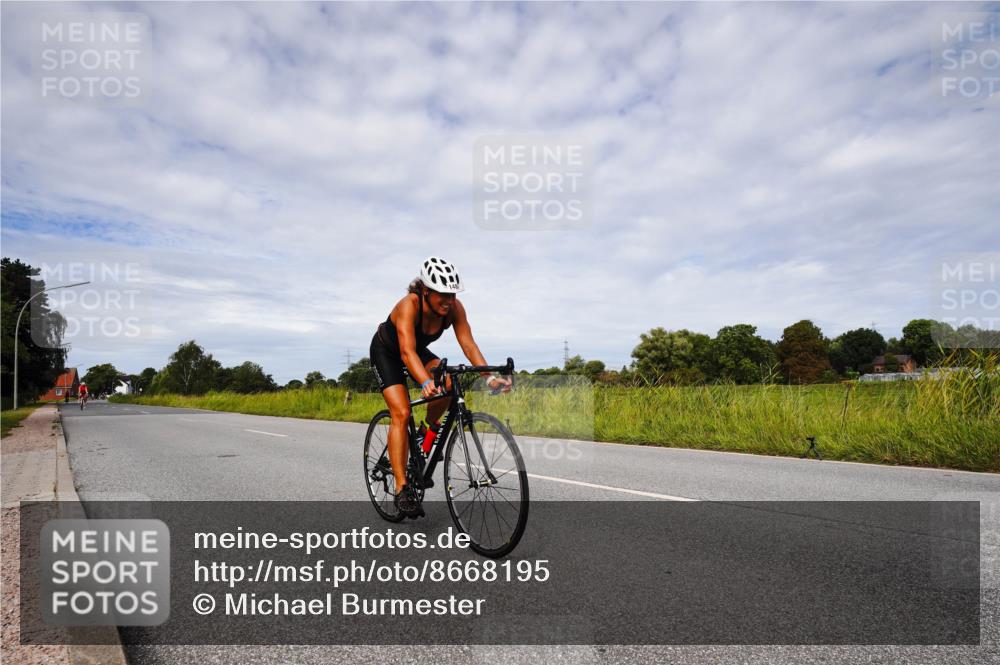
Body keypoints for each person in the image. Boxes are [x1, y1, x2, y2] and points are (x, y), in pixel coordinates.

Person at [369, 257, 511, 518]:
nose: (449, 300)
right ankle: (402, 489)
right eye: (443, 295)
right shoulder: (408, 305)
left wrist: (489, 378)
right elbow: (406, 351)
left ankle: (426, 432)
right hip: (387, 352)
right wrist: (424, 381)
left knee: (447, 380)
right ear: (425, 290)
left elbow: (468, 344)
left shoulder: (455, 309)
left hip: (417, 351)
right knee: (400, 413)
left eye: (453, 294)